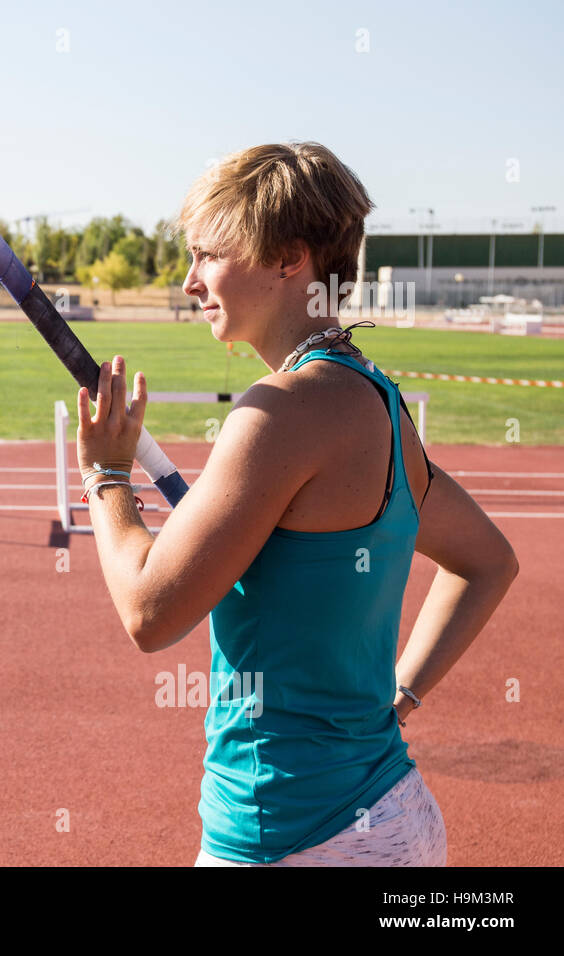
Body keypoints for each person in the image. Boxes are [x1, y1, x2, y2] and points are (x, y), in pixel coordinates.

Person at [76, 142, 519, 866]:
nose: (190, 282)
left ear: (288, 258)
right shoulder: (381, 406)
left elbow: (149, 614)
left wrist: (106, 478)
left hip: (291, 833)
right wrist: (397, 702)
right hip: (396, 818)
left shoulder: (278, 414)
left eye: (206, 255)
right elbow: (489, 562)